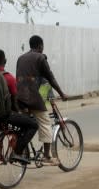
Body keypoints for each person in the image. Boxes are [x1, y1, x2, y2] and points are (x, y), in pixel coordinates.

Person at [0, 49, 38, 163]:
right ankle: (17, 152)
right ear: (5, 61)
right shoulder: (9, 77)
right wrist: (22, 111)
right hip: (5, 115)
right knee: (33, 124)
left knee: (13, 123)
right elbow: (17, 99)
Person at [16, 35, 68, 165]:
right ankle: (46, 156)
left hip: (19, 97)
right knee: (45, 123)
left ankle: (21, 149)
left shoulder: (20, 58)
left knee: (26, 124)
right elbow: (50, 78)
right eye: (42, 46)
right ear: (40, 46)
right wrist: (61, 93)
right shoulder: (40, 57)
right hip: (32, 97)